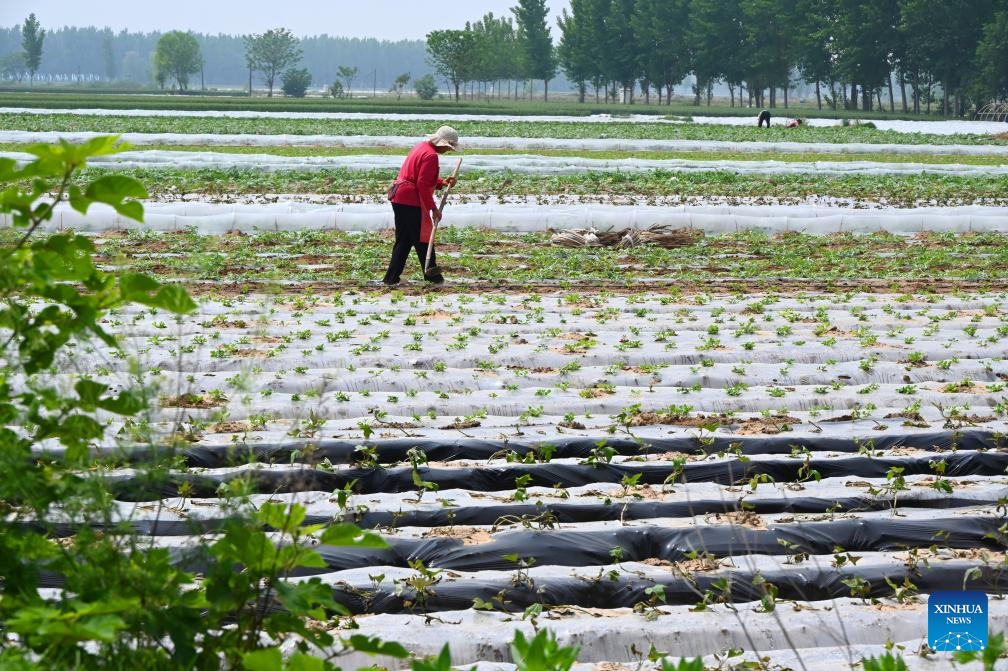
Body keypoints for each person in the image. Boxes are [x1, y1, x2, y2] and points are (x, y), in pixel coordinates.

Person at [383, 126, 461, 286]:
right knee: (423, 238)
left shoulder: (421, 147)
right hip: (410, 198)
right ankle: (434, 278)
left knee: (404, 240)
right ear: (442, 143)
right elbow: (422, 184)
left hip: (399, 197)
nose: (448, 150)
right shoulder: (431, 155)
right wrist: (433, 208)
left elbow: (421, 177)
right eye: (448, 147)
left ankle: (391, 279)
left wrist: (443, 182)